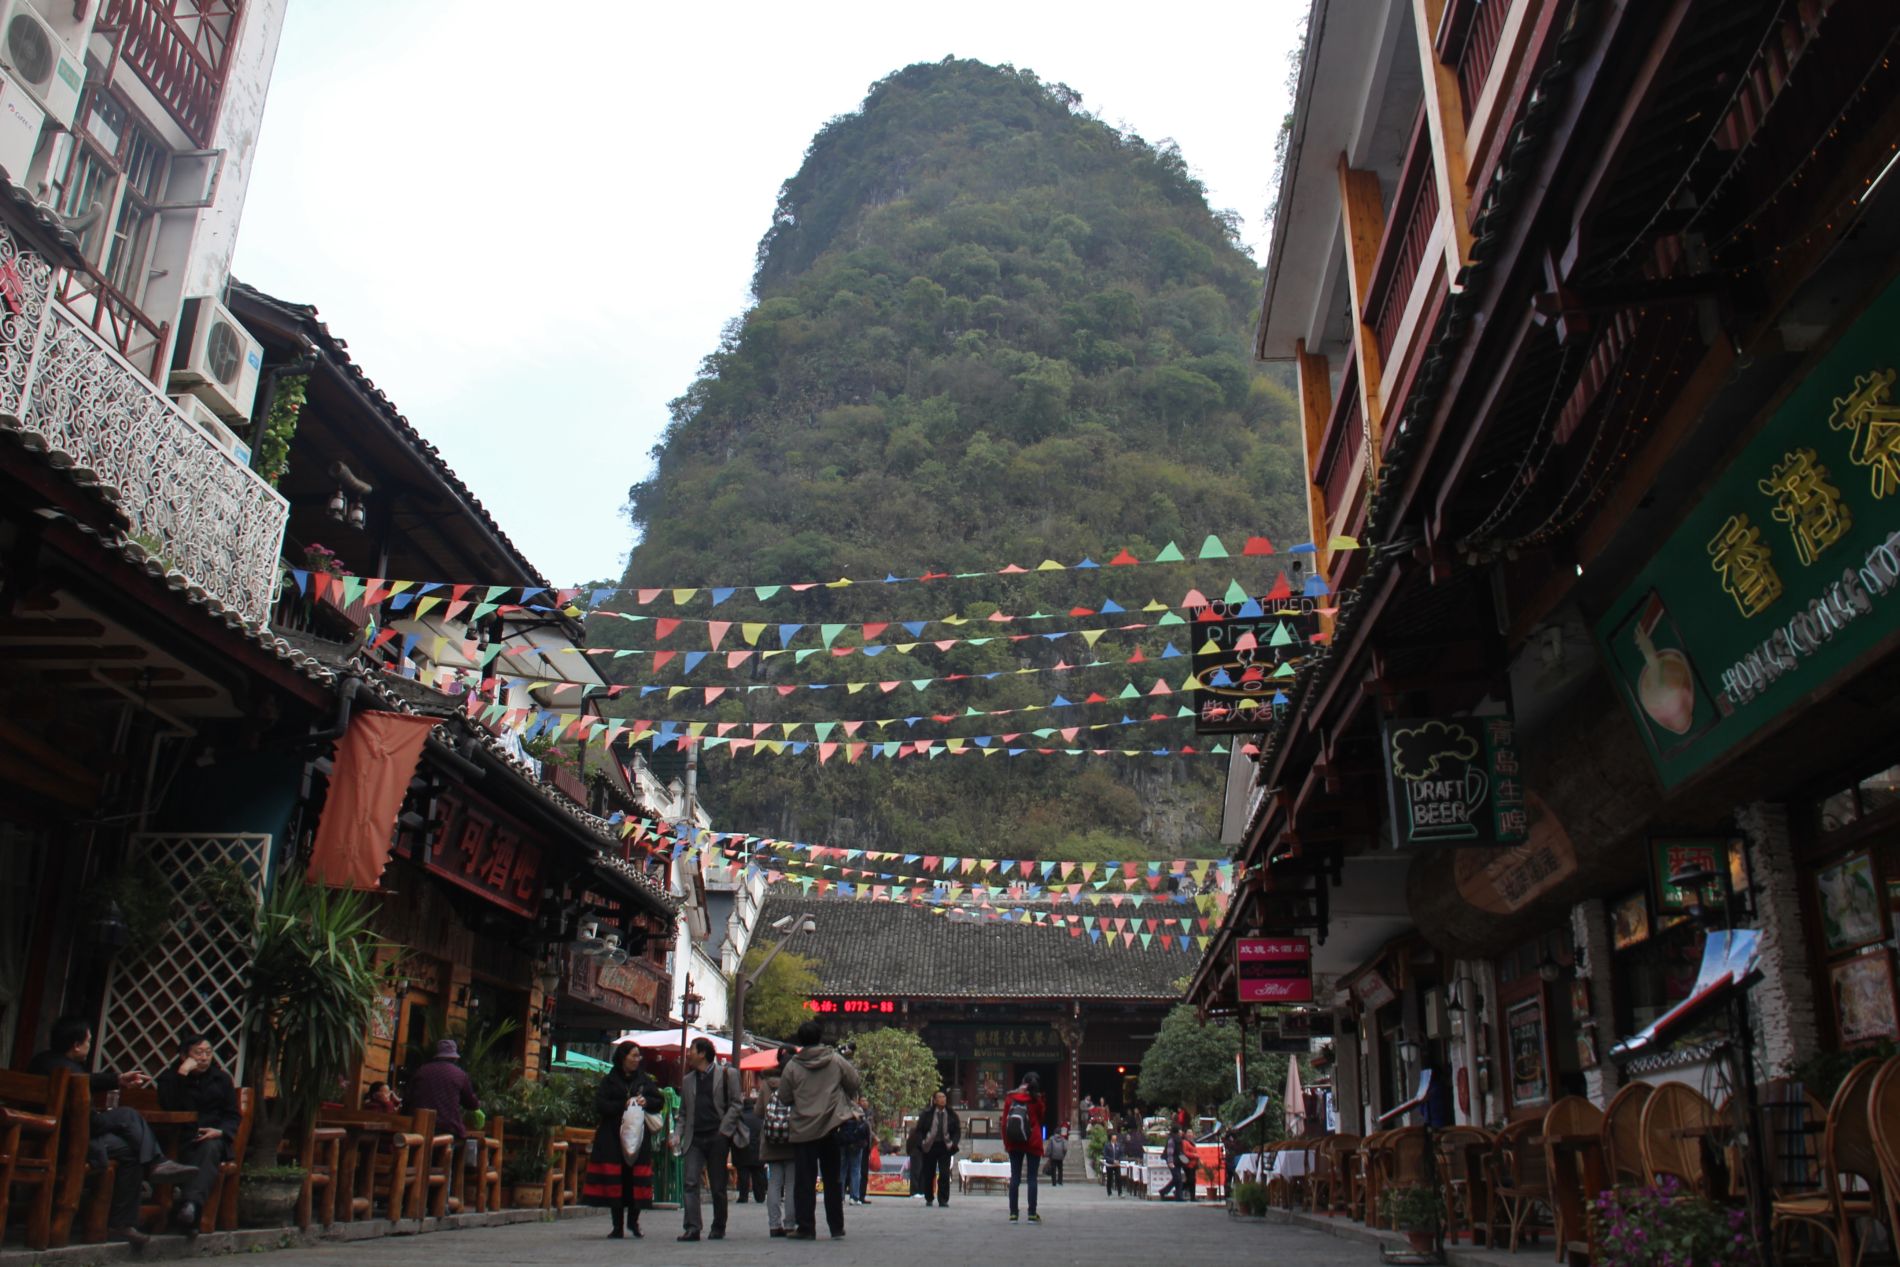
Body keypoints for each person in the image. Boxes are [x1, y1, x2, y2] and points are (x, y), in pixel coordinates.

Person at [28, 1015, 197, 1248]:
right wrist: (116, 1080)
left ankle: (125, 1219)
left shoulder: (44, 1062)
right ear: (76, 1044)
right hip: (69, 1140)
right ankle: (155, 1165)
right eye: (88, 1041)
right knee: (127, 1115)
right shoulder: (66, 1069)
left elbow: (90, 1081)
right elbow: (85, 1089)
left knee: (132, 1150)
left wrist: (117, 1079)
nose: (89, 1045)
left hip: (63, 1135)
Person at [775, 1019, 860, 1240]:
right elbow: (854, 1082)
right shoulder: (835, 1060)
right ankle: (836, 1226)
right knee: (833, 1179)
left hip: (803, 1129)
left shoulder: (793, 1065)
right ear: (820, 1037)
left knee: (804, 1181)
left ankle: (806, 1226)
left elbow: (783, 1097)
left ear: (800, 1040)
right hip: (831, 1125)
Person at [155, 1034, 240, 1233]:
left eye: (208, 1053)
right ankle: (189, 1211)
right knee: (187, 1154)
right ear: (184, 1056)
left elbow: (233, 1114)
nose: (204, 1058)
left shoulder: (221, 1079)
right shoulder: (170, 1078)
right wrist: (182, 1074)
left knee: (209, 1149)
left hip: (213, 1138)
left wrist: (220, 1132)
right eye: (198, 1053)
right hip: (179, 1138)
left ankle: (190, 1206)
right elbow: (169, 1105)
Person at [581, 1040, 659, 1239]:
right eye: (633, 1055)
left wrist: (646, 1101)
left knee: (635, 1181)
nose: (637, 1059)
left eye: (638, 1056)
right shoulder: (610, 1080)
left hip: (638, 1138)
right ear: (623, 1057)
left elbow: (659, 1101)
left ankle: (634, 1220)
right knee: (616, 1180)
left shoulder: (644, 1080)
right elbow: (601, 1105)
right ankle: (617, 1225)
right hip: (613, 1138)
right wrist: (621, 1105)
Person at [674, 1035, 745, 1242]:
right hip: (694, 1137)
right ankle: (692, 1227)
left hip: (717, 1136)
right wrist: (678, 1134)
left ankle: (718, 1225)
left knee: (717, 1185)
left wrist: (724, 1130)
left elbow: (736, 1104)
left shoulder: (727, 1074)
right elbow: (683, 1112)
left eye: (692, 1050)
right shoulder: (688, 1080)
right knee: (690, 1181)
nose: (689, 1054)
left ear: (703, 1053)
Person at [405, 1038, 480, 1193]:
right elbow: (471, 1103)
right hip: (447, 1128)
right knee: (450, 1155)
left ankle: (410, 1196)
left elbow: (408, 1098)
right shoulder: (459, 1075)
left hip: (419, 1129)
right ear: (454, 1058)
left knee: (417, 1157)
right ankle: (441, 1200)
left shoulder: (422, 1071)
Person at [1001, 1071, 1045, 1223]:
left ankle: (1014, 1213)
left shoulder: (1010, 1098)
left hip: (1014, 1141)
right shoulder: (1036, 1099)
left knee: (1015, 1178)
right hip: (1033, 1140)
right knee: (1032, 1178)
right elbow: (1040, 1117)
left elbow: (1004, 1122)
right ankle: (1032, 1214)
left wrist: (1006, 1142)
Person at [761, 1048, 796, 1237]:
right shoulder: (798, 1082)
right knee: (791, 1184)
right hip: (792, 1139)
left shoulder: (767, 1084)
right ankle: (790, 1224)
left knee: (774, 1183)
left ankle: (774, 1225)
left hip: (772, 1139)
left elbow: (759, 1111)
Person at [915, 1088, 959, 1207]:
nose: (942, 1099)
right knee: (929, 1173)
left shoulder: (951, 1114)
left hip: (945, 1146)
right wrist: (922, 1142)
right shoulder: (927, 1114)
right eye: (939, 1097)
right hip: (930, 1145)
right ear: (934, 1100)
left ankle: (943, 1199)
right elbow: (919, 1130)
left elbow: (956, 1130)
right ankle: (929, 1197)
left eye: (944, 1097)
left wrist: (954, 1143)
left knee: (944, 1173)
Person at [734, 1093, 766, 1204]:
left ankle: (743, 1196)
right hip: (757, 1150)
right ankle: (760, 1196)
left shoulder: (740, 1117)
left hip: (742, 1149)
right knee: (758, 1174)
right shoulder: (759, 1117)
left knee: (743, 1175)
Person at [838, 1095, 871, 1205]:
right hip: (856, 1144)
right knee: (856, 1169)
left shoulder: (842, 1108)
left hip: (843, 1142)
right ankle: (854, 1197)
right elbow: (865, 1126)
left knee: (842, 1170)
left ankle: (840, 1196)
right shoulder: (859, 1110)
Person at [1102, 1130, 1123, 1198]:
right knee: (1110, 1179)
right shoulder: (1107, 1145)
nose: (1115, 1137)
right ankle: (1109, 1192)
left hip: (1117, 1164)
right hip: (1110, 1164)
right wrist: (1112, 1160)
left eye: (1115, 1136)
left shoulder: (1118, 1145)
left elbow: (1121, 1154)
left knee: (1118, 1178)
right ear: (1111, 1137)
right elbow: (1105, 1156)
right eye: (1113, 1136)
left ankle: (1120, 1193)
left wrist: (1118, 1160)